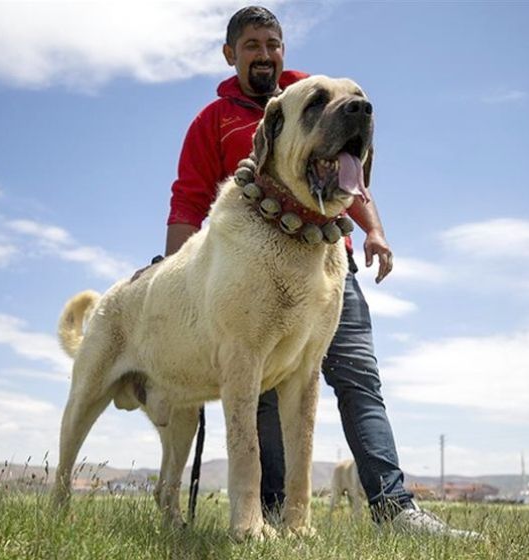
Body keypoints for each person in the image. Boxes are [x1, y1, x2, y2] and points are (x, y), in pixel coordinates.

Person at [164, 6, 475, 537]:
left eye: (273, 44)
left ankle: (395, 508)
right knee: (260, 392)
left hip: (331, 268)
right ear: (230, 54)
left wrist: (374, 231)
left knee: (358, 378)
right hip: (250, 279)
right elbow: (188, 202)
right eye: (252, 45)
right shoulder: (212, 121)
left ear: (283, 50)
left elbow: (352, 180)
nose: (264, 54)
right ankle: (275, 512)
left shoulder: (320, 95)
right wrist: (174, 274)